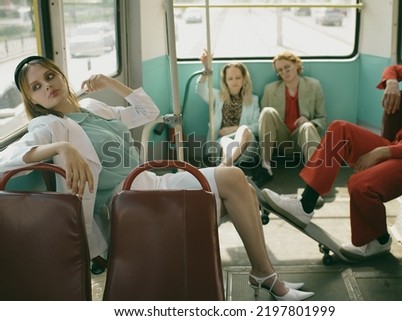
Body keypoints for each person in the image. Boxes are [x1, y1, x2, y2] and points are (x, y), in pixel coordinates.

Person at [0, 55, 314, 301]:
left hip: (149, 186)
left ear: (61, 74)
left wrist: (110, 82)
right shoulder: (49, 127)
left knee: (240, 185)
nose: (47, 86)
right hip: (127, 207)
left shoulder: (92, 107)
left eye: (49, 76)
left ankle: (264, 272)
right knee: (233, 179)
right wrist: (61, 147)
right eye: (36, 87)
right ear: (34, 100)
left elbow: (146, 111)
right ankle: (265, 273)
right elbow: (4, 160)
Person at [261, 31, 402, 260]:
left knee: (359, 184)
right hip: (401, 145)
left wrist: (383, 151)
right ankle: (305, 205)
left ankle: (378, 241)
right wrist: (391, 82)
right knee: (340, 128)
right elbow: (395, 70)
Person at [255, 51, 327, 188]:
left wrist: (308, 121)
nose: (285, 72)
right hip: (281, 139)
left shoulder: (314, 86)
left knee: (308, 126)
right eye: (280, 70)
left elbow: (322, 119)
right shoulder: (270, 90)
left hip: (301, 138)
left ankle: (315, 181)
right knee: (267, 111)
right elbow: (264, 122)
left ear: (296, 65)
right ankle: (265, 168)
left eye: (287, 67)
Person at [196, 49, 260, 166]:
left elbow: (257, 127)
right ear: (225, 81)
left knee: (244, 129)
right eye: (230, 78)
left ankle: (223, 168)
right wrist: (206, 69)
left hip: (247, 145)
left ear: (244, 79)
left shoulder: (253, 100)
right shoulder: (218, 96)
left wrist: (233, 129)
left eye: (238, 78)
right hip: (222, 144)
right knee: (226, 140)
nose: (234, 81)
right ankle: (226, 166)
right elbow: (200, 90)